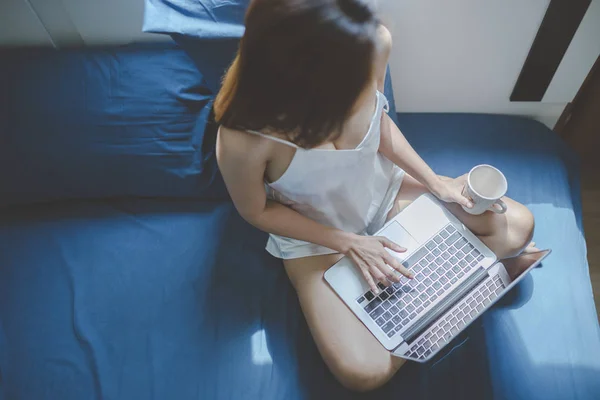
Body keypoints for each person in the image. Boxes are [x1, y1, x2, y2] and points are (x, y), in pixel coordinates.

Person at [215, 0, 535, 392]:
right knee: (362, 374)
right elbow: (257, 211)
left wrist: (434, 181)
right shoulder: (243, 135)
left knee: (517, 225)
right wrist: (349, 243)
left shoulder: (372, 44)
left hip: (384, 190)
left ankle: (423, 302)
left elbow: (379, 125)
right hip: (317, 237)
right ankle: (448, 292)